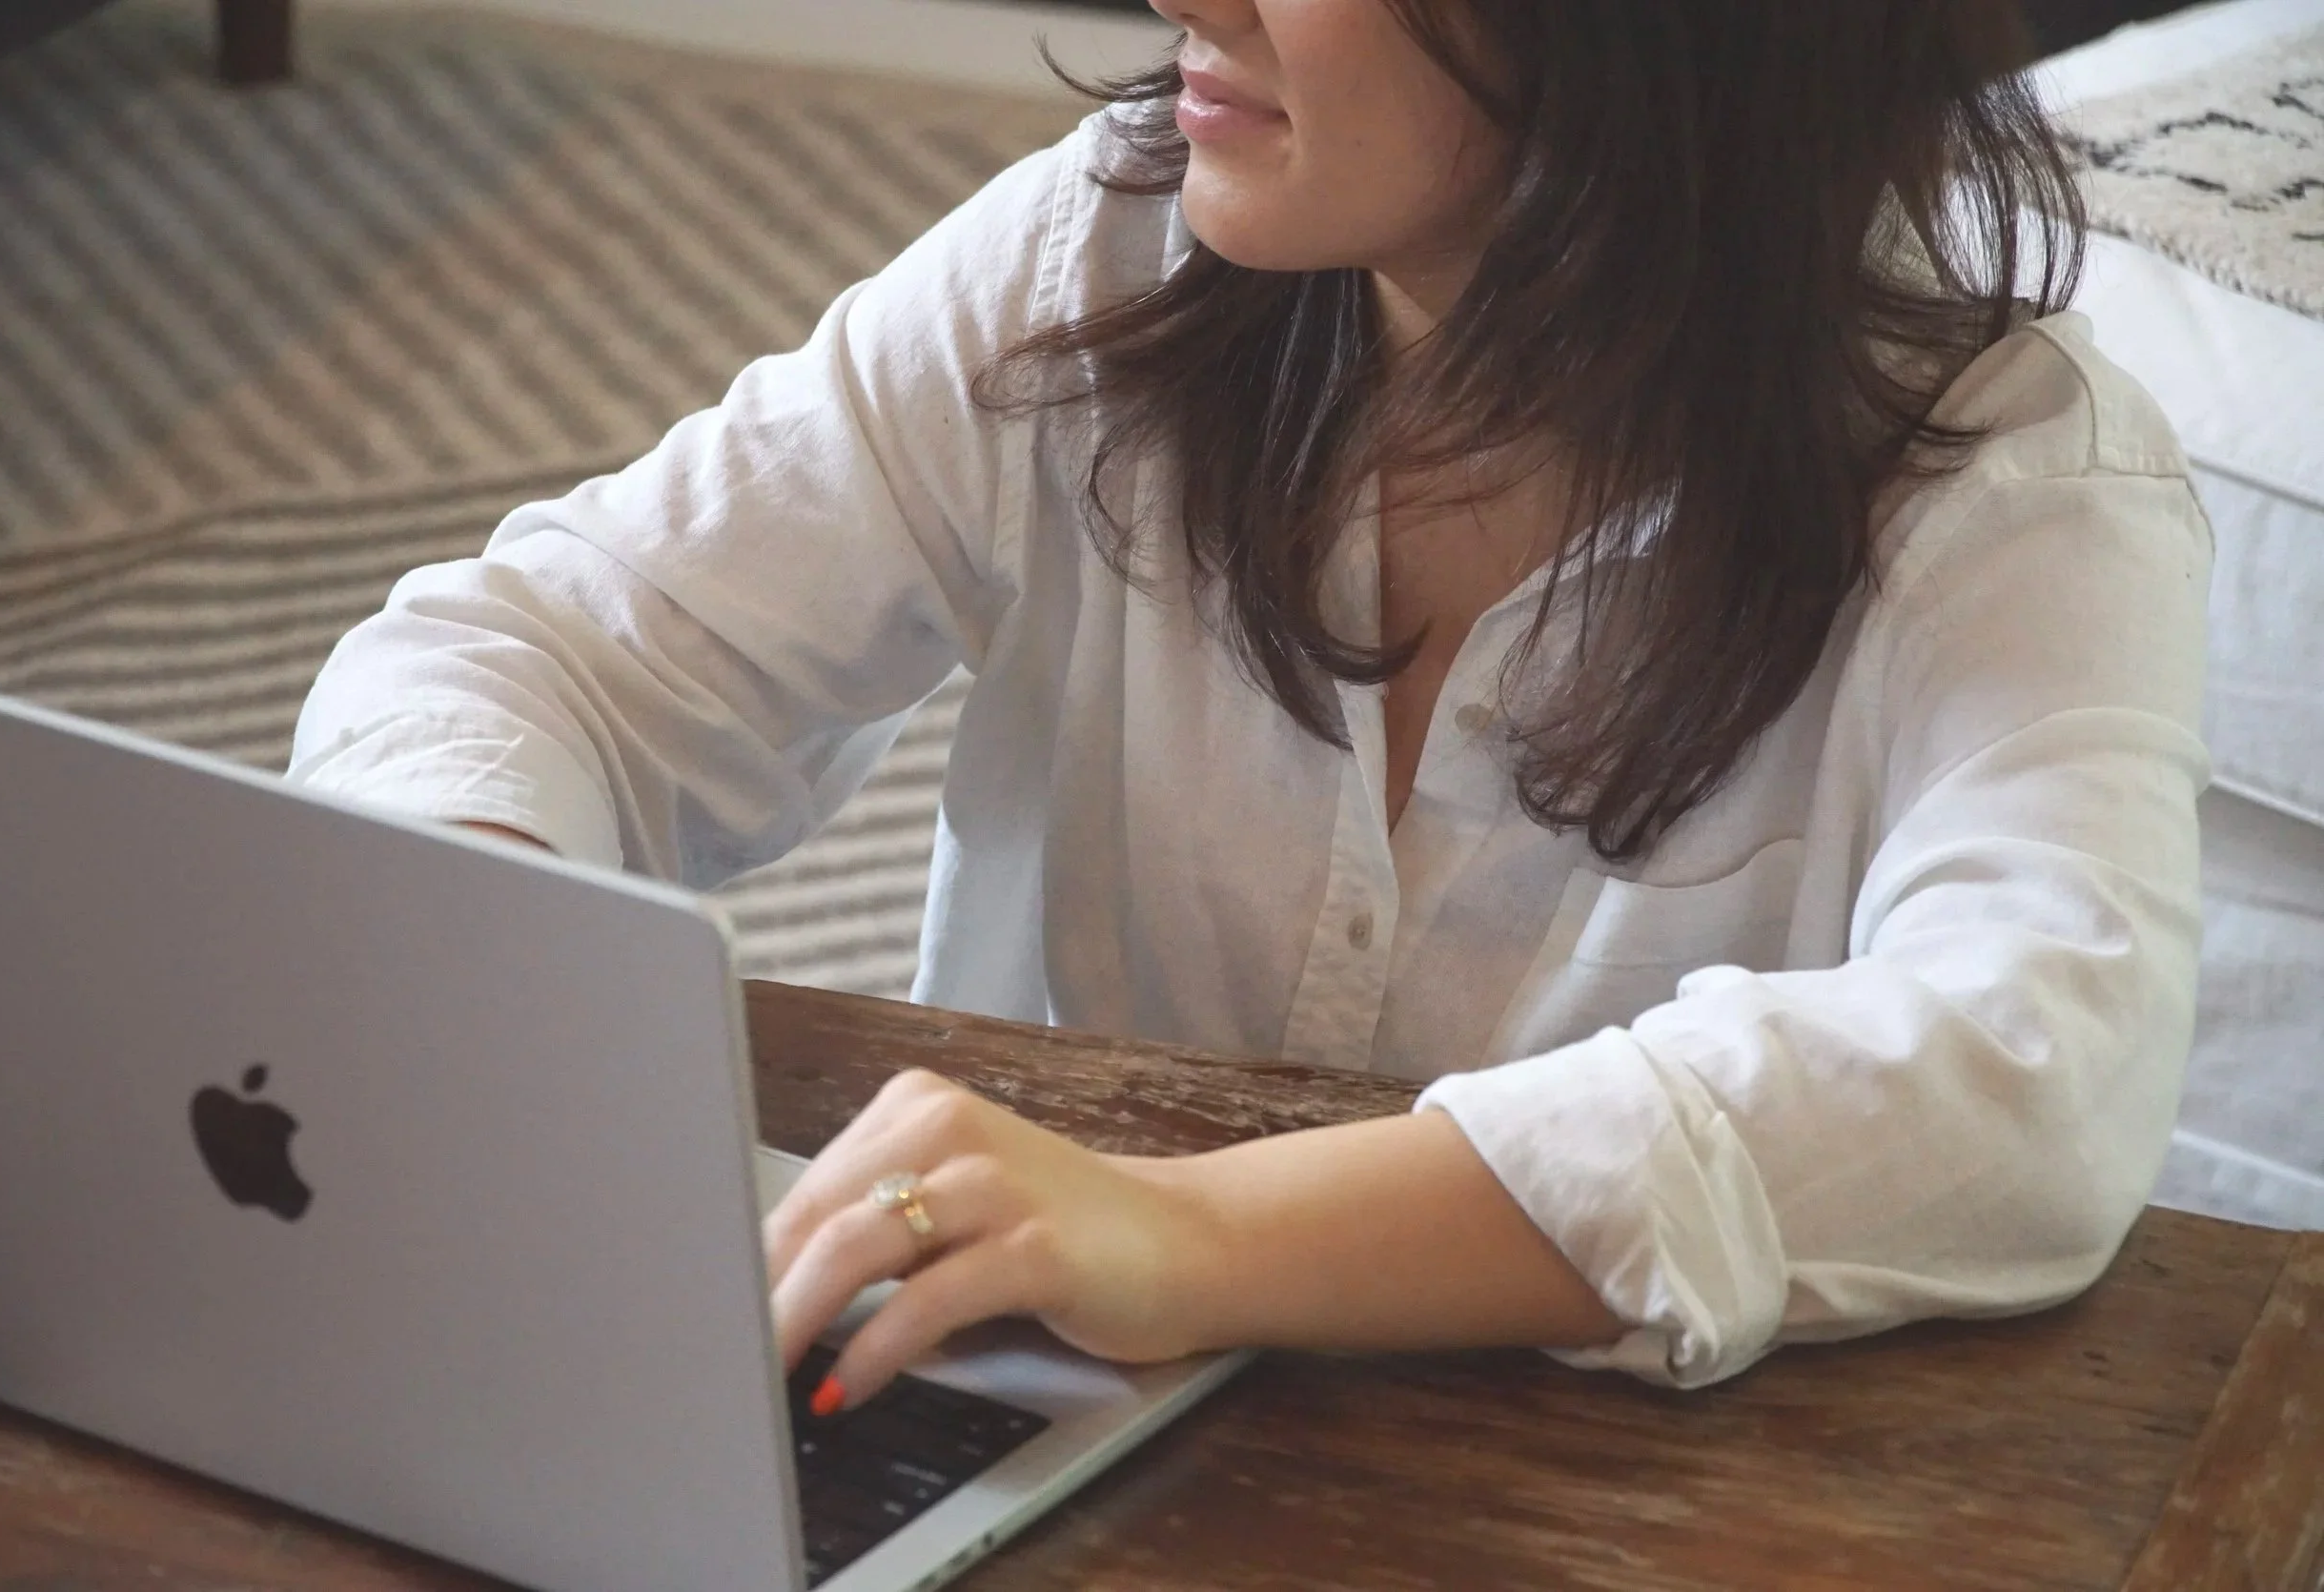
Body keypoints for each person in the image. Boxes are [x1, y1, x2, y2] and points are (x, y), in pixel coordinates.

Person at [289, 0, 2212, 1413]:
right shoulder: (1101, 250)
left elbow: (2023, 1073)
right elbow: (529, 653)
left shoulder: (2009, 492)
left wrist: (1196, 1234)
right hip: (976, 1399)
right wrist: (491, 978)